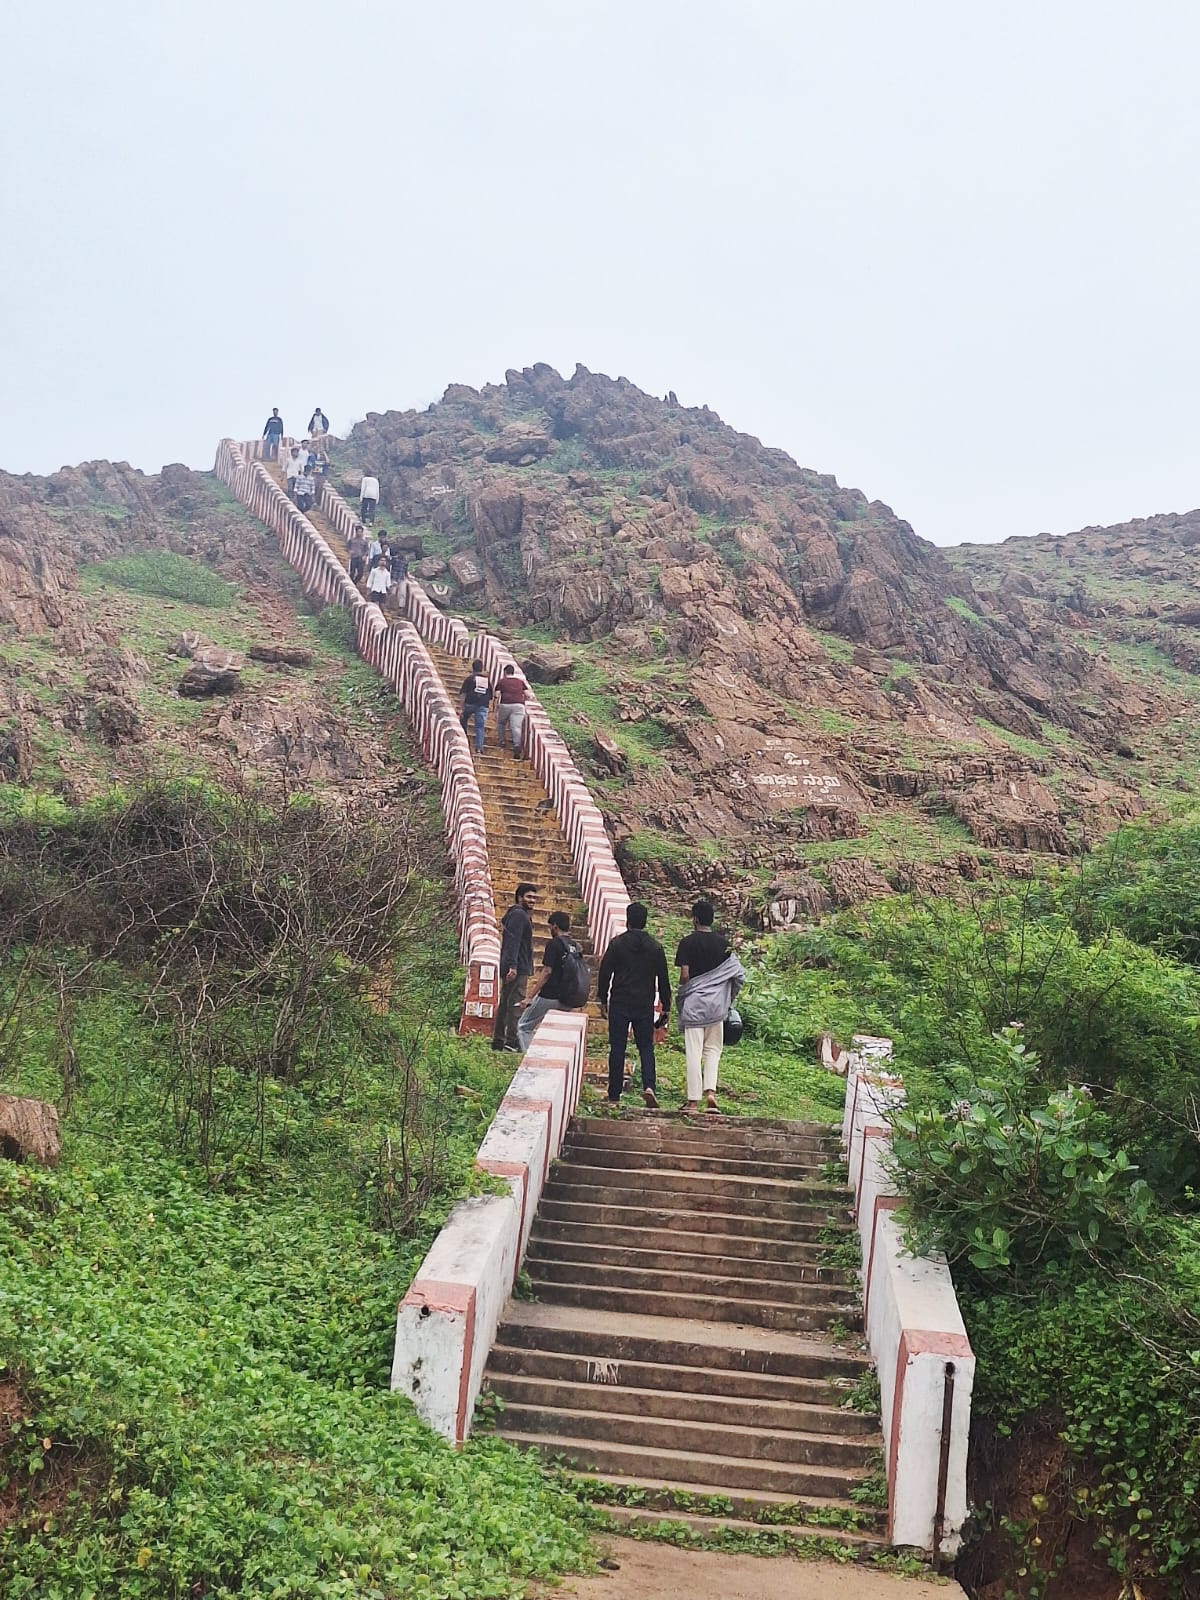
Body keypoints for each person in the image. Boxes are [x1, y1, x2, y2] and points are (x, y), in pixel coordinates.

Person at [597, 902, 671, 1108]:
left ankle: (613, 1096)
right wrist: (666, 1007)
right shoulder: (655, 947)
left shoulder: (617, 944)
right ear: (645, 921)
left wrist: (602, 999)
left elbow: (605, 973)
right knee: (646, 1047)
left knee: (618, 1047)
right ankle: (649, 1086)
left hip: (620, 1001)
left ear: (627, 919)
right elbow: (663, 980)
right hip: (644, 1004)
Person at [676, 900, 745, 1113]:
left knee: (694, 1053)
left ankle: (693, 1101)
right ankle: (711, 1094)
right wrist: (727, 998)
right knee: (713, 1051)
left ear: (695, 919)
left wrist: (686, 989)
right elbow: (739, 976)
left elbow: (685, 976)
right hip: (717, 1009)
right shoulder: (724, 944)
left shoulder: (687, 942)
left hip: (695, 1007)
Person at [517, 910, 589, 1053]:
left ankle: (531, 1060)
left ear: (555, 927)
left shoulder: (554, 944)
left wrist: (530, 996)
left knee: (524, 1026)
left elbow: (547, 972)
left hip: (550, 995)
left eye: (550, 927)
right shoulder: (576, 946)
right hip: (568, 998)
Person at [493, 883, 537, 1052]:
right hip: (517, 966)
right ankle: (512, 1040)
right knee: (515, 1004)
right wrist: (513, 965)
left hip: (515, 964)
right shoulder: (519, 915)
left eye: (534, 897)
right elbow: (513, 941)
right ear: (520, 898)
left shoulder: (518, 915)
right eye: (529, 897)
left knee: (506, 1002)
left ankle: (499, 1040)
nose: (532, 900)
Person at [494, 664, 529, 761]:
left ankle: (502, 741)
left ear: (505, 672)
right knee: (516, 727)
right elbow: (528, 694)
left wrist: (495, 708)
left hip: (505, 704)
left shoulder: (502, 681)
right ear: (513, 672)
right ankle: (517, 745)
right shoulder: (520, 682)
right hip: (519, 706)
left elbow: (497, 695)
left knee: (501, 723)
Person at [459, 659, 491, 755]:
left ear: (472, 668)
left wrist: (461, 707)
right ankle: (479, 748)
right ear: (482, 668)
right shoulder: (487, 681)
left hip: (470, 704)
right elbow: (491, 696)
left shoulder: (469, 679)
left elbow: (463, 694)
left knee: (464, 718)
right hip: (483, 706)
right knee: (480, 727)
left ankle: (464, 739)